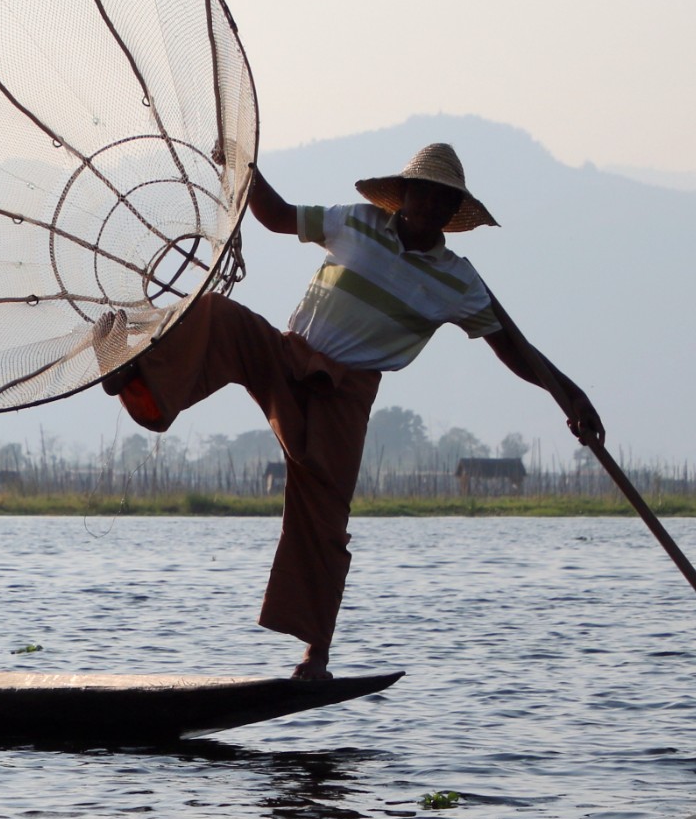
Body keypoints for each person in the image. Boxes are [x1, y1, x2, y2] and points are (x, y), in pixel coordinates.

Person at [97, 142, 604, 680]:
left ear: (454, 213)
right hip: (287, 355)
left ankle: (315, 655)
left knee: (326, 515)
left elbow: (517, 350)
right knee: (218, 316)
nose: (430, 206)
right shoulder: (358, 222)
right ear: (402, 196)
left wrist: (571, 397)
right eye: (423, 193)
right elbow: (273, 216)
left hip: (345, 394)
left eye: (443, 201)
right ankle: (137, 382)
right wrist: (242, 164)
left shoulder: (460, 282)